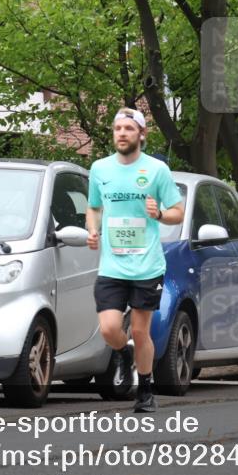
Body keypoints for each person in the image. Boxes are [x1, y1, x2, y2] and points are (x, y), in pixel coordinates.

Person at [87, 108, 184, 413]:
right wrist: (92, 230)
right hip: (112, 265)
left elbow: (177, 212)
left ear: (141, 134)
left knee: (141, 331)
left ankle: (145, 390)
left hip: (146, 265)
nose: (122, 133)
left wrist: (158, 214)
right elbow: (93, 207)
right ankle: (122, 353)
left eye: (129, 128)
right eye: (117, 128)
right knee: (109, 328)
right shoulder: (100, 169)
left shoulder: (157, 170)